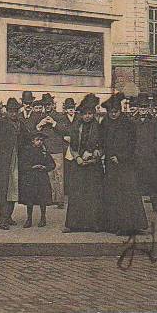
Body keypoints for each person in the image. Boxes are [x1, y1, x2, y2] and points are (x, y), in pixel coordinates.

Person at [101, 93, 148, 236]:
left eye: (115, 112)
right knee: (113, 193)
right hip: (111, 164)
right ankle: (114, 224)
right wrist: (106, 154)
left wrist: (121, 157)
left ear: (120, 111)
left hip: (126, 165)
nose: (113, 114)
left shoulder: (128, 124)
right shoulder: (105, 123)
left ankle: (130, 225)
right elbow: (103, 141)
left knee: (127, 194)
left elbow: (133, 145)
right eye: (110, 112)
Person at [63, 93, 104, 233]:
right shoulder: (76, 126)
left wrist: (95, 154)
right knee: (77, 194)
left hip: (93, 166)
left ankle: (94, 224)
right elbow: (73, 146)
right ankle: (74, 224)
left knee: (93, 194)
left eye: (90, 113)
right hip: (79, 165)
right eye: (85, 114)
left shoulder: (98, 127)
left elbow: (102, 145)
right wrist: (78, 158)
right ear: (81, 114)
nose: (88, 116)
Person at [0, 97, 24, 229]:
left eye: (15, 111)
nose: (13, 113)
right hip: (3, 162)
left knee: (13, 189)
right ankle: (2, 219)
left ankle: (9, 216)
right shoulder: (0, 124)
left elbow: (26, 140)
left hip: (16, 160)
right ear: (6, 111)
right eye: (11, 111)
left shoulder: (20, 124)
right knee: (3, 191)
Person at [133, 97, 157, 213]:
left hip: (151, 157)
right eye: (141, 107)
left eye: (145, 107)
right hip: (137, 157)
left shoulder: (155, 122)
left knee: (154, 182)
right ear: (138, 108)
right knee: (136, 182)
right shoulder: (133, 122)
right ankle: (136, 209)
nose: (142, 109)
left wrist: (153, 150)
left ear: (148, 108)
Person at [18, 131, 56, 227]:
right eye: (37, 140)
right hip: (30, 178)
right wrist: (32, 167)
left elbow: (52, 164)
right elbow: (22, 165)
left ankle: (43, 218)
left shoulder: (44, 152)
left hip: (42, 178)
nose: (40, 142)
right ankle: (29, 219)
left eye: (41, 140)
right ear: (32, 141)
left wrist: (45, 168)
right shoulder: (27, 151)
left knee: (42, 199)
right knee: (29, 199)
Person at [36, 94, 66, 208]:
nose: (47, 106)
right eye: (45, 105)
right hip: (46, 149)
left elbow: (65, 130)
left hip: (57, 149)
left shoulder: (59, 116)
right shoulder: (41, 117)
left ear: (53, 105)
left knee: (58, 175)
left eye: (48, 104)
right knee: (48, 175)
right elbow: (36, 132)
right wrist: (39, 125)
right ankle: (50, 198)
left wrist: (54, 123)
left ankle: (60, 200)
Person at [52, 97, 79, 202]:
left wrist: (73, 138)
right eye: (68, 108)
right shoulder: (62, 118)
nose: (71, 110)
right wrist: (65, 137)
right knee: (65, 170)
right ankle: (66, 193)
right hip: (65, 146)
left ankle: (75, 192)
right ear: (65, 109)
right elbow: (60, 131)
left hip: (75, 146)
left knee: (75, 169)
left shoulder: (79, 118)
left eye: (72, 107)